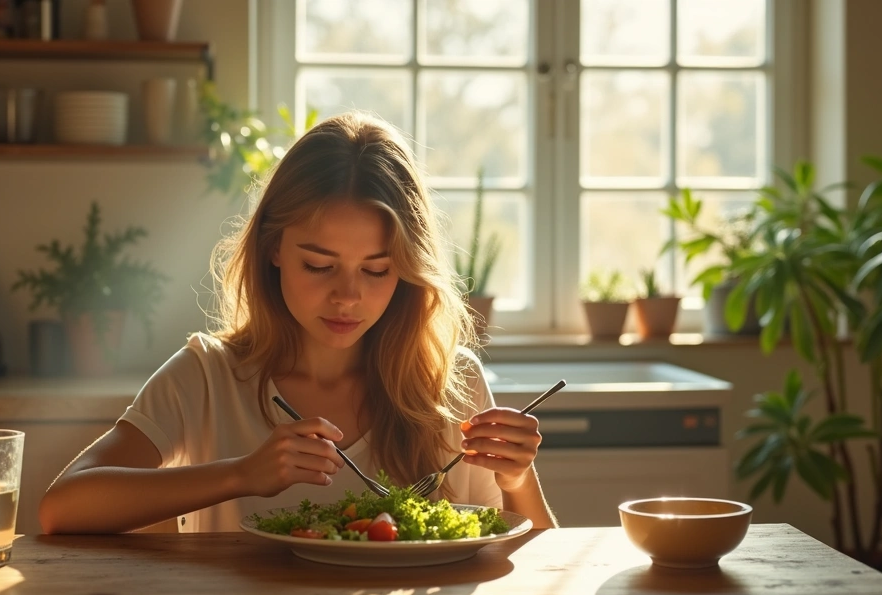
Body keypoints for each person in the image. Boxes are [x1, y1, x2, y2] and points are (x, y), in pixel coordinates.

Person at [38, 112, 558, 534]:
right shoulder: (208, 376)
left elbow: (532, 571)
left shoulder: (451, 382)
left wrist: (517, 478)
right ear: (273, 250)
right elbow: (62, 507)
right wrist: (241, 475)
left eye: (375, 270)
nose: (347, 296)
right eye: (319, 265)